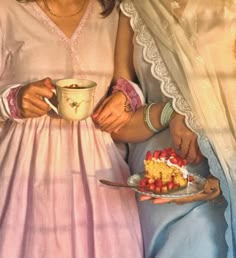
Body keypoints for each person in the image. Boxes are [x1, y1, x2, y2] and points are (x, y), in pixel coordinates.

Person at [0, 0, 143, 257]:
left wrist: (126, 97)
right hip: (25, 179)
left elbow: (130, 84)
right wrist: (11, 102)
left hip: (99, 175)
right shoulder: (6, 11)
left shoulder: (113, 13)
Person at [93, 0, 233, 257]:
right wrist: (172, 111)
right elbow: (118, 126)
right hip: (160, 182)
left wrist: (220, 181)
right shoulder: (135, 8)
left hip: (223, 172)